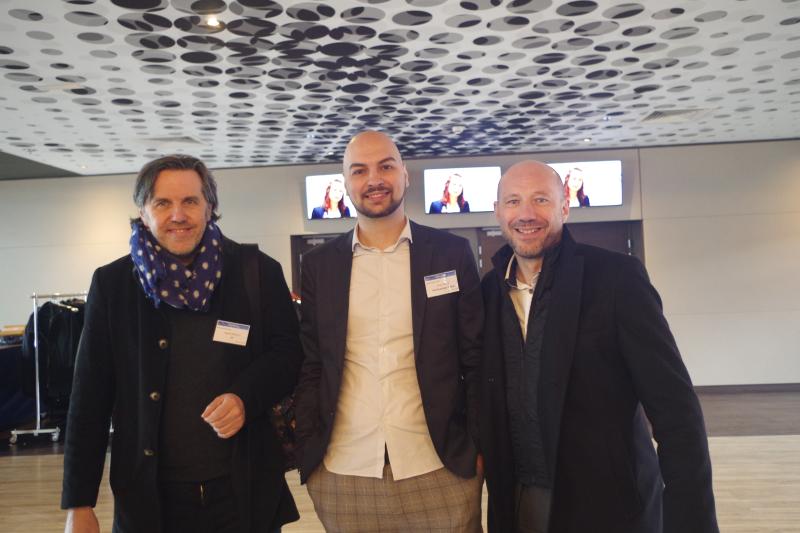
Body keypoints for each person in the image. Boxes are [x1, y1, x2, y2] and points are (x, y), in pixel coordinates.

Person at [61, 155, 303, 533]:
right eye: (163, 203)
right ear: (143, 213)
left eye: (190, 201)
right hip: (149, 499)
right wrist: (79, 503)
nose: (178, 215)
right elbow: (89, 397)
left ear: (209, 207)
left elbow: (289, 354)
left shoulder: (256, 270)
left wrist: (245, 396)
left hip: (244, 492)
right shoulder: (113, 285)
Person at [480, 160, 718, 533]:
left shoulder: (617, 279)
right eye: (513, 201)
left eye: (541, 199)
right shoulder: (488, 293)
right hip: (520, 499)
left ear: (564, 207)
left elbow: (677, 411)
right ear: (498, 211)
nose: (526, 214)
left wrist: (691, 521)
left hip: (609, 505)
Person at [294, 131, 484, 531]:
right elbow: (312, 362)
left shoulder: (450, 253)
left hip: (438, 465)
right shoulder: (319, 265)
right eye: (359, 170)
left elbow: (475, 357)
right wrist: (309, 445)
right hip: (344, 469)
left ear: (405, 174)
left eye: (385, 166)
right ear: (345, 183)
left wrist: (478, 445)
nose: (374, 179)